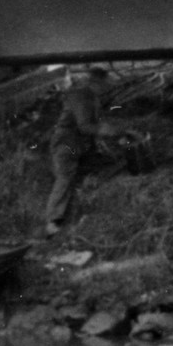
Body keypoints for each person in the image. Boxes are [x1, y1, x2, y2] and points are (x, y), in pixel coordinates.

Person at [42, 67, 113, 236]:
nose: (106, 87)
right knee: (65, 176)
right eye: (104, 83)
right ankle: (52, 222)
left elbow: (93, 124)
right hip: (65, 144)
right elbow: (85, 126)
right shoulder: (81, 96)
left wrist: (102, 139)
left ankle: (84, 200)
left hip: (80, 145)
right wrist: (107, 131)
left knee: (107, 162)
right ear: (95, 82)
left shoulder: (92, 96)